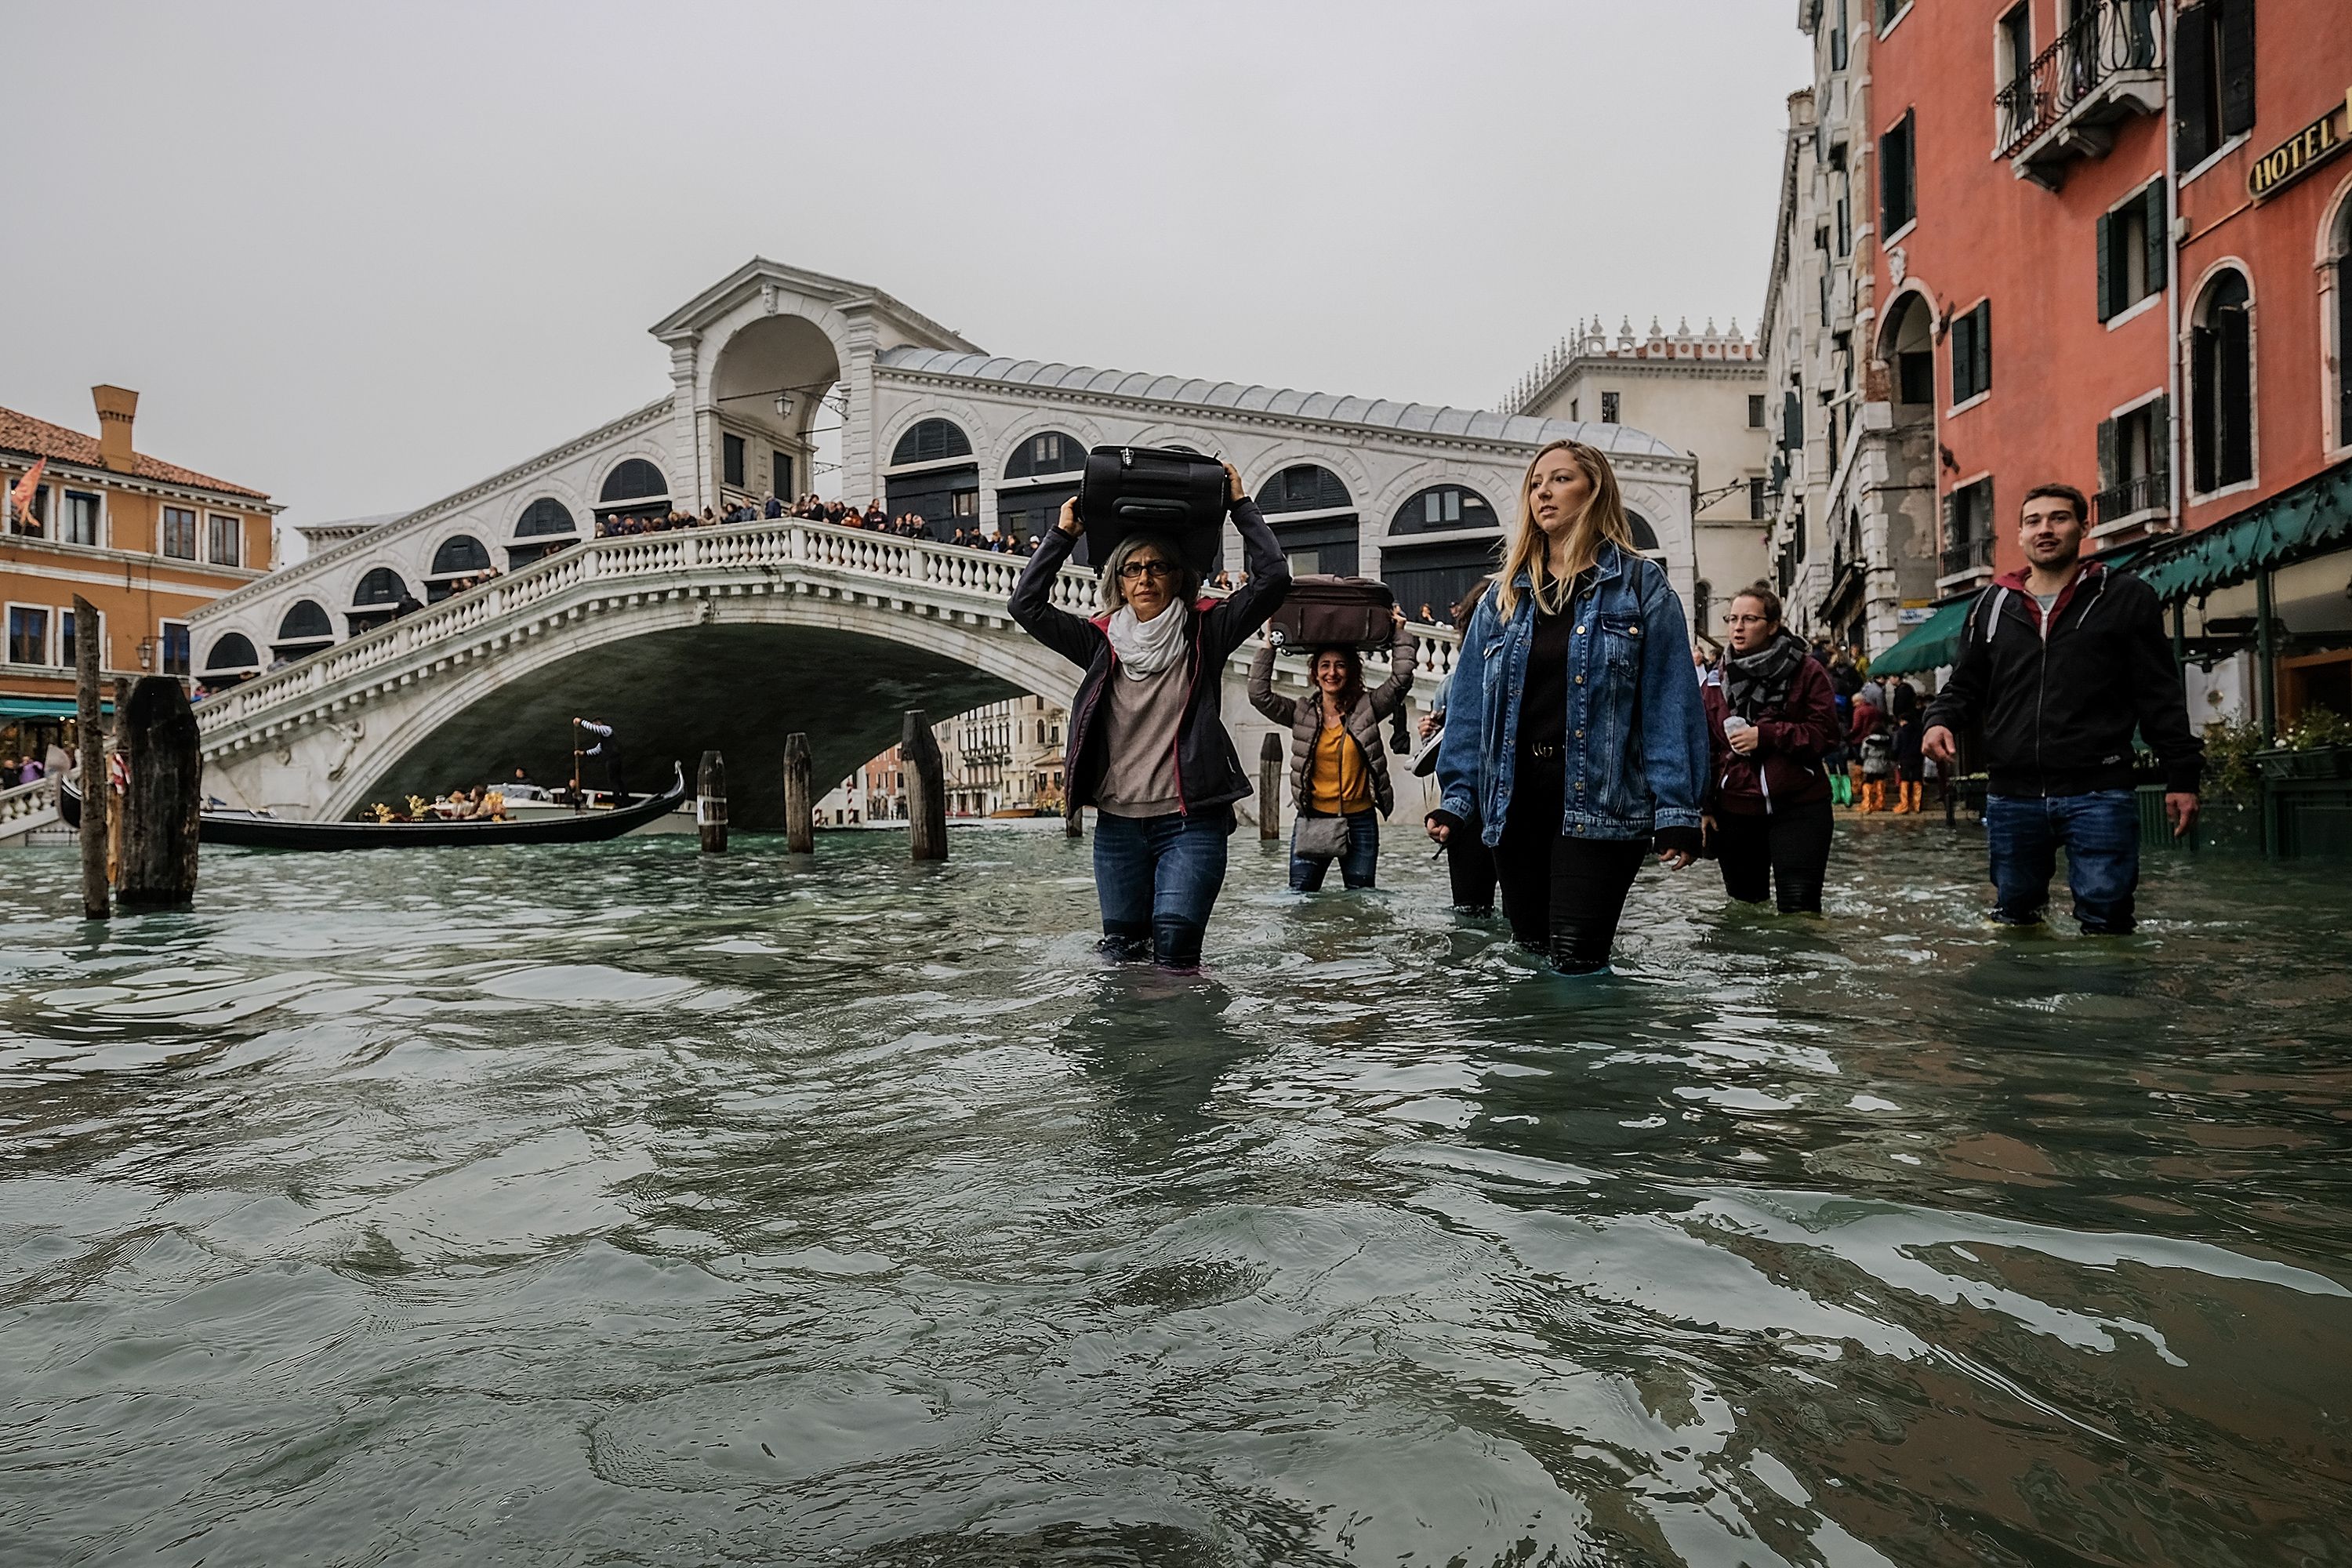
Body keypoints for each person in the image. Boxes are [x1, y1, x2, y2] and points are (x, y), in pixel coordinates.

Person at [1426, 439, 1708, 975]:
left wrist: (1677, 810)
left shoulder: (1641, 585)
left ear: (1594, 489)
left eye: (1559, 480)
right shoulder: (1503, 595)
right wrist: (1457, 799)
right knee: (1530, 959)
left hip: (1601, 805)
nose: (1543, 493)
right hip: (1515, 806)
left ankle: (1598, 1055)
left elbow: (1670, 702)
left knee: (1577, 964)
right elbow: (1467, 708)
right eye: (1535, 484)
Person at [1007, 463, 1290, 969]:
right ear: (1118, 579)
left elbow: (1274, 580)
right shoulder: (1098, 642)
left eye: (1158, 567)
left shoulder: (1206, 632)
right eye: (1132, 569)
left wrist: (1239, 507)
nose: (1145, 578)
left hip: (1191, 824)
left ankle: (1182, 1044)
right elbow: (1025, 605)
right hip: (1117, 828)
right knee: (1120, 959)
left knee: (1177, 955)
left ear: (1178, 575)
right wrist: (1062, 534)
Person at [1922, 482, 2201, 935]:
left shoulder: (2125, 597)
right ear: (2020, 535)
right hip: (2013, 794)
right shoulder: (1990, 606)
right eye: (2033, 521)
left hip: (2099, 789)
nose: (2045, 530)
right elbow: (1965, 686)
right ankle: (2019, 1003)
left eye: (2059, 518)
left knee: (2107, 918)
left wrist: (2182, 777)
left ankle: (2101, 1004)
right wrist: (1938, 722)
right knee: (2015, 918)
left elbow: (2160, 695)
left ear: (2082, 528)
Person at [1250, 607, 1416, 891]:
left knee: (1362, 902)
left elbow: (1401, 679)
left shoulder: (1367, 708)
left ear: (1350, 671)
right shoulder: (1301, 712)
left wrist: (1400, 634)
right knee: (1301, 901)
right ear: (1315, 672)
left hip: (1361, 821)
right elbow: (1259, 695)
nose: (1332, 672)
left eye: (1340, 665)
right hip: (1313, 819)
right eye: (1325, 665)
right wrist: (1269, 644)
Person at [1701, 584, 1838, 915]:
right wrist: (1703, 805)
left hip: (1800, 806)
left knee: (1801, 910)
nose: (1737, 627)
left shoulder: (1807, 671)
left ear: (1773, 625)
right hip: (1734, 810)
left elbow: (1826, 736)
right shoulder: (1714, 679)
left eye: (1749, 619)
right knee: (1745, 910)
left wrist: (1765, 736)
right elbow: (1705, 747)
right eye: (1732, 618)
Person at [1417, 589, 1497, 914]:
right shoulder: (1449, 686)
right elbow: (1447, 754)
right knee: (1470, 912)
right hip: (1467, 813)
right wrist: (1431, 736)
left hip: (1506, 809)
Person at [1847, 680, 1886, 811]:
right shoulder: (1874, 710)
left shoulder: (1859, 711)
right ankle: (1879, 799)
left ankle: (1859, 791)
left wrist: (1849, 735)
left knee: (1860, 764)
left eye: (1854, 703)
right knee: (1880, 776)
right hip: (1878, 744)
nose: (1853, 706)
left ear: (1858, 702)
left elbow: (1857, 727)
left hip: (1861, 740)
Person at [575, 717, 626, 801]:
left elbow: (594, 728)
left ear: (598, 723)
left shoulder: (606, 729)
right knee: (618, 780)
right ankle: (625, 798)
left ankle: (619, 802)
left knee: (613, 781)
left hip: (613, 760)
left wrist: (580, 721)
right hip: (615, 760)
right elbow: (597, 750)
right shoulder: (605, 739)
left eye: (595, 724)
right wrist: (583, 753)